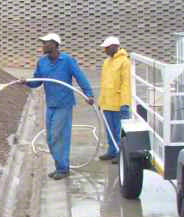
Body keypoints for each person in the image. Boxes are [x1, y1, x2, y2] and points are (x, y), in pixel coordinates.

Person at [22, 33, 95, 180]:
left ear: (54, 44)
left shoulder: (67, 60)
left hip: (64, 104)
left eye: (45, 43)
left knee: (59, 136)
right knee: (50, 137)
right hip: (50, 104)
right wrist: (27, 82)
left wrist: (89, 94)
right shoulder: (41, 62)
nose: (42, 46)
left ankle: (62, 168)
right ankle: (60, 166)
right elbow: (38, 81)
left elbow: (80, 76)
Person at [97, 36, 131, 164]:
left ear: (115, 47)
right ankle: (112, 151)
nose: (105, 50)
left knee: (119, 131)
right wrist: (101, 101)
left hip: (118, 104)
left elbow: (125, 84)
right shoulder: (106, 62)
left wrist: (125, 103)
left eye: (106, 47)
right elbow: (104, 83)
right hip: (107, 103)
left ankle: (119, 153)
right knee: (109, 130)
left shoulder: (124, 62)